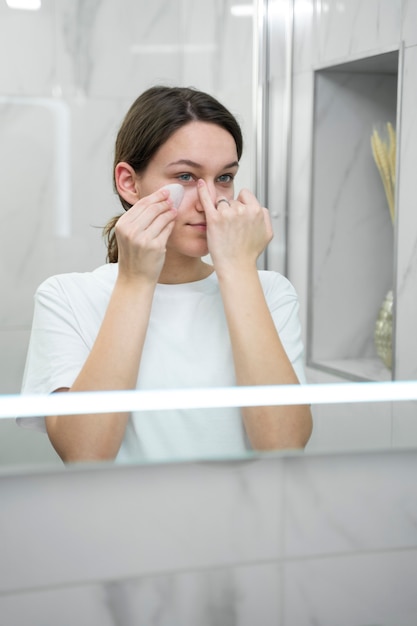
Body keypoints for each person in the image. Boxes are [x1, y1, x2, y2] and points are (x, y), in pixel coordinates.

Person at [19, 85, 312, 463]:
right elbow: (85, 455)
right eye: (187, 177)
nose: (209, 200)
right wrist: (135, 280)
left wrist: (239, 270)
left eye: (224, 177)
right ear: (129, 182)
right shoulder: (67, 297)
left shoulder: (270, 293)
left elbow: (284, 448)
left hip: (245, 521)